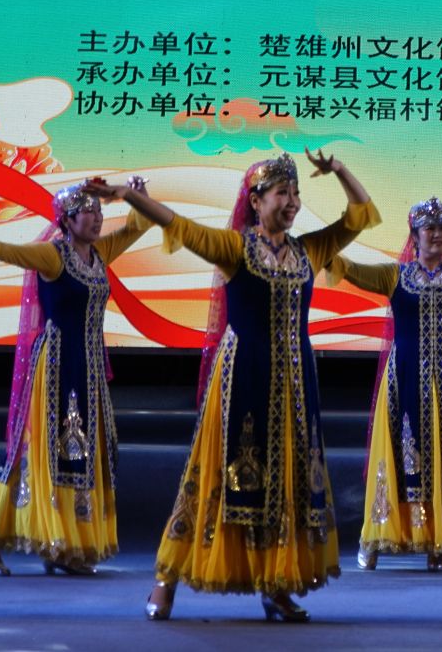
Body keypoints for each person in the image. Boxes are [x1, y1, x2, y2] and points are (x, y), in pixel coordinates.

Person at [112, 150, 378, 622]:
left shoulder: (309, 251)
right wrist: (132, 197)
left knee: (288, 483)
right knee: (215, 477)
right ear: (256, 201)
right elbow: (180, 226)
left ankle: (276, 585)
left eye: (296, 193)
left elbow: (360, 215)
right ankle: (166, 578)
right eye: (282, 193)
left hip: (295, 384)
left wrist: (339, 170)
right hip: (243, 380)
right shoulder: (235, 248)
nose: (292, 202)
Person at [0, 179, 158, 576]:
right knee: (39, 453)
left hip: (89, 367)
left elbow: (139, 225)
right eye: (88, 212)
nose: (97, 218)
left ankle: (63, 545)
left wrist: (137, 196)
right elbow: (5, 250)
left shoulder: (100, 253)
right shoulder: (53, 256)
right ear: (67, 220)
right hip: (57, 364)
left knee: (81, 452)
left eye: (99, 212)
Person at [328, 196, 442, 570]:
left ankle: (438, 541)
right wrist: (335, 234)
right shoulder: (393, 276)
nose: (438, 234)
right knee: (398, 455)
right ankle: (374, 537)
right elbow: (345, 268)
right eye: (430, 228)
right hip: (406, 379)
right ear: (414, 236)